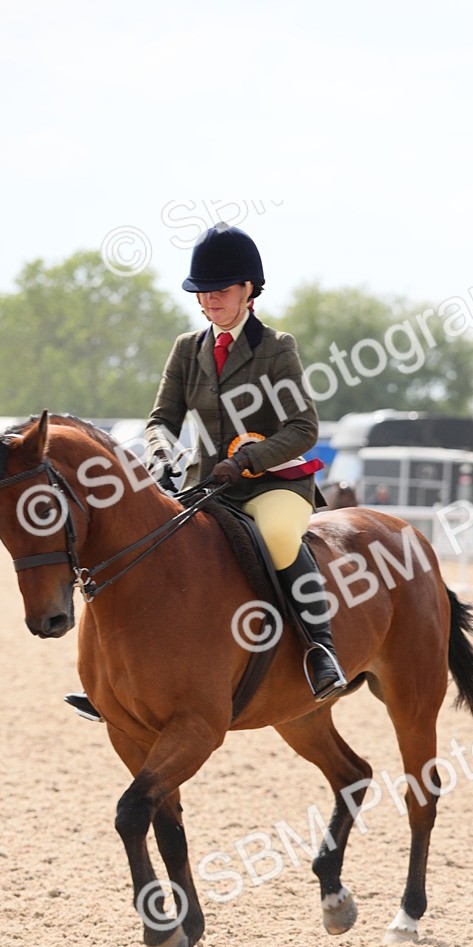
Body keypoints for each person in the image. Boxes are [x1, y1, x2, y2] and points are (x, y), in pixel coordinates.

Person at [65, 224, 347, 721]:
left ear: (248, 290)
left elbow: (303, 427)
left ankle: (318, 651)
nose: (210, 301)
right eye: (202, 293)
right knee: (149, 549)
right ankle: (118, 677)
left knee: (280, 538)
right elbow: (161, 420)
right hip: (204, 483)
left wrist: (245, 460)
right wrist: (159, 453)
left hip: (271, 481)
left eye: (220, 291)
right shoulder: (187, 348)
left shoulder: (277, 347)